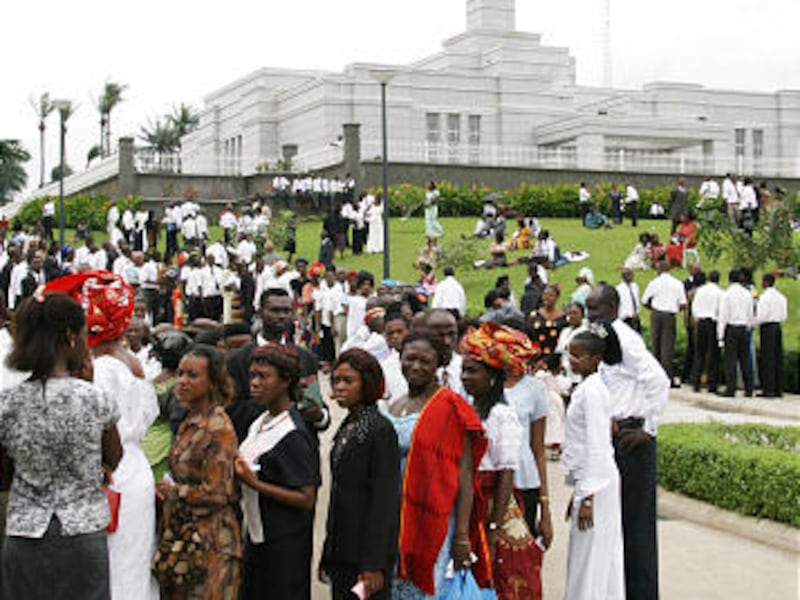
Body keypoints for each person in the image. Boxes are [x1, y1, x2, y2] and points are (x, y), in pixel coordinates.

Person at [0, 293, 123, 599]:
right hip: (82, 533)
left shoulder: (8, 403)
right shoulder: (94, 399)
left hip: (25, 532)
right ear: (70, 337)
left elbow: (3, 473)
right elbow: (114, 456)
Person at [386, 330, 492, 597]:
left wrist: (461, 535)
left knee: (424, 587)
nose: (416, 366)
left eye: (425, 361)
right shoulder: (394, 405)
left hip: (433, 518)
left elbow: (465, 475)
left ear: (439, 364)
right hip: (393, 515)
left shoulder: (450, 406)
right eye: (410, 358)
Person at [585, 285, 669, 600]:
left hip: (635, 439)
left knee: (636, 526)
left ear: (613, 307)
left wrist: (649, 428)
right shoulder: (604, 340)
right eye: (589, 309)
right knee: (615, 524)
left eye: (596, 309)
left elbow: (658, 381)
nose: (591, 315)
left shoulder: (626, 340)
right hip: (616, 436)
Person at [460, 322, 543, 598]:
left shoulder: (501, 415)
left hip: (491, 502)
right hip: (471, 500)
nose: (465, 377)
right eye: (464, 370)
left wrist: (494, 526)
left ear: (493, 376)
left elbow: (506, 473)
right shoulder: (472, 409)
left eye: (473, 371)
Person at [153, 345, 242, 599]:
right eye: (180, 374)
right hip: (183, 537)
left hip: (210, 543)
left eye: (192, 376)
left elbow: (217, 494)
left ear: (212, 381)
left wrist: (174, 491)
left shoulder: (218, 428)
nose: (182, 382)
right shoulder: (189, 421)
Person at [235, 343, 321, 599]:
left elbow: (306, 498)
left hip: (284, 544)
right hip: (257, 536)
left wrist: (255, 483)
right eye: (252, 376)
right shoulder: (261, 422)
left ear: (286, 381)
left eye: (264, 377)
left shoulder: (293, 434)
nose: (255, 383)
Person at [320, 349, 400, 600]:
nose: (340, 387)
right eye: (336, 380)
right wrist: (328, 551)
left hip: (365, 556)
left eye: (348, 381)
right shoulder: (348, 425)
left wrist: (373, 563)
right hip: (343, 549)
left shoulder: (379, 430)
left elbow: (384, 501)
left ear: (367, 383)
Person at [562, 327, 625, 600]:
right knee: (596, 552)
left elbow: (597, 444)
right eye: (570, 355)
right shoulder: (588, 387)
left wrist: (588, 497)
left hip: (598, 482)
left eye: (579, 356)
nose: (572, 361)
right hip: (591, 480)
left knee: (591, 554)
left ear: (597, 358)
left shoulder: (593, 392)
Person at [641, 260, 687, 386]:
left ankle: (655, 377)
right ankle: (667, 377)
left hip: (656, 313)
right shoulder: (677, 283)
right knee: (668, 347)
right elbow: (683, 304)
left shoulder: (654, 283)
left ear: (659, 270)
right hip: (670, 315)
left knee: (656, 345)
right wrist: (675, 308)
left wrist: (653, 308)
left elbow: (644, 300)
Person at [717, 268, 755, 397]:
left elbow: (723, 316)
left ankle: (731, 388)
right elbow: (751, 313)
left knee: (731, 360)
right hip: (743, 327)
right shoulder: (747, 294)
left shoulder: (727, 295)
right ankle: (749, 388)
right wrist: (749, 326)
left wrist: (720, 335)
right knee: (745, 358)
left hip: (731, 328)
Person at [689, 270, 722, 394]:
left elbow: (694, 307)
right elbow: (720, 309)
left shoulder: (700, 291)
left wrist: (696, 318)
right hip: (713, 322)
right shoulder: (720, 293)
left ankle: (696, 382)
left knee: (699, 353)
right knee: (713, 354)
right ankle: (712, 383)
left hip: (701, 322)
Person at [756, 273, 787, 397]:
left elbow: (761, 315)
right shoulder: (781, 297)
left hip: (767, 327)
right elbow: (784, 315)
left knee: (767, 358)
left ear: (766, 282)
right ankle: (778, 388)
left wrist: (757, 321)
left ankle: (768, 389)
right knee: (777, 357)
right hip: (777, 326)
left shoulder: (764, 298)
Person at [528, 284, 566, 357]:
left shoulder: (563, 318)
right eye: (545, 294)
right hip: (537, 355)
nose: (547, 298)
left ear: (557, 297)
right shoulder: (534, 316)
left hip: (556, 356)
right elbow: (528, 335)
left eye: (551, 295)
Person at [616, 268, 641, 332]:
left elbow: (636, 300)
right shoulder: (619, 289)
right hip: (625, 317)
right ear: (623, 276)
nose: (631, 277)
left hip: (635, 316)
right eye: (629, 275)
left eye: (631, 275)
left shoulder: (635, 286)